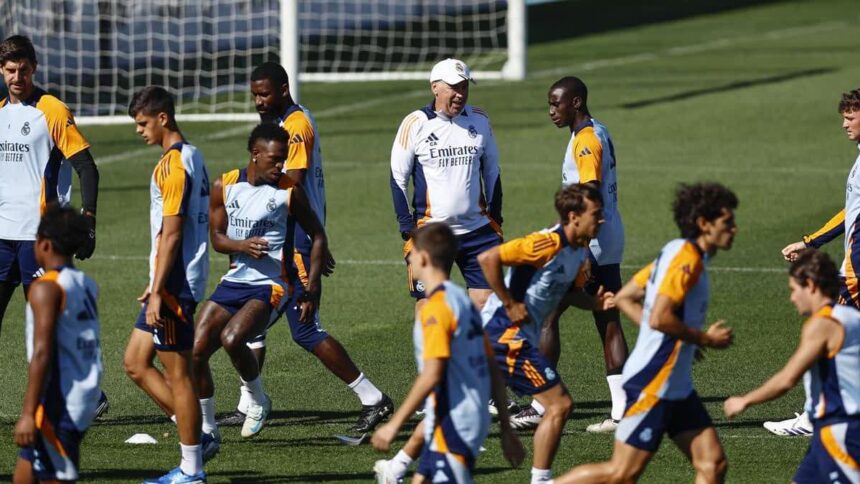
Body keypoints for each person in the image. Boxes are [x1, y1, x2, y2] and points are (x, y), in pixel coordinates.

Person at [217, 62, 392, 435]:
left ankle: (373, 399)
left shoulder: (295, 126)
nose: (258, 102)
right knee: (254, 321)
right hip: (287, 237)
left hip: (293, 240)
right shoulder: (285, 123)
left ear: (283, 88)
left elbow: (290, 183)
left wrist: (243, 191)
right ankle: (248, 405)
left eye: (264, 94)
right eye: (254, 95)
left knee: (305, 329)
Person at [553, 182, 737, 484]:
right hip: (654, 382)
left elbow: (625, 297)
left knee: (712, 464)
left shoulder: (675, 249)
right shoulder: (685, 259)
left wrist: (672, 336)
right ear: (704, 224)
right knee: (621, 474)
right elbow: (661, 315)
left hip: (677, 385)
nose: (734, 229)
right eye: (727, 222)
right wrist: (702, 338)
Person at [193, 123, 330, 439]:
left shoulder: (288, 191)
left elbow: (318, 233)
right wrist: (241, 246)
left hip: (272, 284)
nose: (281, 166)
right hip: (234, 281)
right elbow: (216, 237)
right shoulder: (225, 185)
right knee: (196, 351)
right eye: (275, 159)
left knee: (231, 339)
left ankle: (256, 400)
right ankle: (207, 429)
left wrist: (313, 289)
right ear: (255, 154)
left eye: (283, 159)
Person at [513, 76, 628, 434]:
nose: (551, 111)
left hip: (588, 243)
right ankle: (625, 410)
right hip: (608, 238)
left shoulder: (585, 143)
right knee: (607, 319)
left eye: (556, 103)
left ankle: (539, 404)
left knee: (546, 315)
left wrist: (566, 239)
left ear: (575, 102)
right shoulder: (598, 130)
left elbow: (589, 194)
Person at [480, 183, 614, 484]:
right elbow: (488, 259)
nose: (602, 219)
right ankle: (541, 480)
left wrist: (594, 302)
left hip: (513, 337)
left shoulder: (579, 252)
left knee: (458, 410)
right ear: (573, 216)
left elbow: (568, 294)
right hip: (504, 334)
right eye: (596, 213)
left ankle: (397, 467)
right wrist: (510, 302)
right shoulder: (545, 243)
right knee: (560, 405)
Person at [371, 222, 525, 483]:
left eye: (413, 251)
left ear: (424, 258)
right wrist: (507, 430)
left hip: (453, 422)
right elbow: (490, 363)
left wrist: (393, 425)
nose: (408, 256)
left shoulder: (436, 309)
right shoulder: (461, 299)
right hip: (457, 418)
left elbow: (432, 374)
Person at [127, 86, 211, 483]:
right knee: (135, 362)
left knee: (179, 376)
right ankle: (193, 431)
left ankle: (192, 469)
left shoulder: (173, 165)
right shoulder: (193, 155)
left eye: (142, 123)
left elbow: (173, 234)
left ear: (163, 118)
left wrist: (160, 288)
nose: (139, 131)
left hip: (175, 284)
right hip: (168, 279)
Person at [724, 249, 860, 483]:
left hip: (843, 431)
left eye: (794, 290)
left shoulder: (822, 324)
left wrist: (745, 400)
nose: (792, 298)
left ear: (810, 285)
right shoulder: (851, 316)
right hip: (826, 434)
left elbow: (788, 378)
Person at [771, 88, 860, 438]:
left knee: (825, 333)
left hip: (856, 268)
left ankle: (814, 416)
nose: (844, 124)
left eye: (850, 117)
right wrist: (811, 242)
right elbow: (851, 211)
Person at [0, 35, 99, 334]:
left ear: (35, 68)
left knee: (49, 332)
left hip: (41, 237)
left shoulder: (52, 109)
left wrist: (88, 222)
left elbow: (88, 169)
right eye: (11, 70)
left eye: (24, 70)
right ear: (1, 70)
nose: (18, 77)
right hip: (3, 237)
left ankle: (78, 383)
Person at [390, 58, 503, 312]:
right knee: (430, 306)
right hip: (432, 233)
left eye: (464, 87)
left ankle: (476, 353)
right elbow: (398, 178)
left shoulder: (480, 119)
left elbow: (493, 171)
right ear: (435, 88)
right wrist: (407, 226)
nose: (460, 94)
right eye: (454, 87)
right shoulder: (415, 123)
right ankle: (428, 354)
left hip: (478, 231)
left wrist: (496, 217)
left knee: (487, 304)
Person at [13, 205, 102, 484]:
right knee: (24, 474)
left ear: (45, 244)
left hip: (58, 402)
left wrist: (28, 413)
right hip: (80, 395)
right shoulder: (85, 283)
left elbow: (42, 352)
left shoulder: (46, 288)